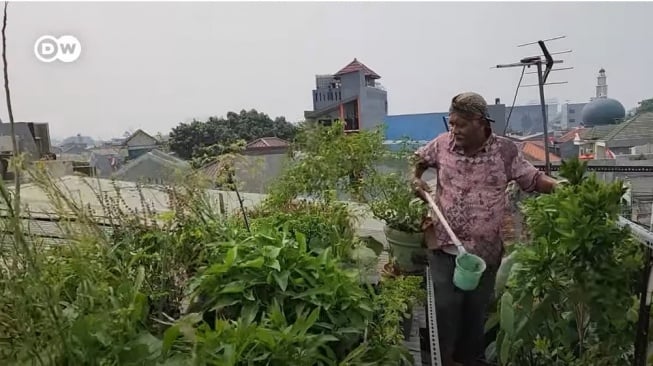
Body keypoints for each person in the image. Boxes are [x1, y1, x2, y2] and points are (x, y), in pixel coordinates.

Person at [411, 92, 560, 366]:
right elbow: (419, 160)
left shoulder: (505, 151)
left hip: (484, 254)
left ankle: (469, 359)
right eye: (451, 123)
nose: (453, 130)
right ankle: (442, 360)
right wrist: (417, 180)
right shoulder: (442, 145)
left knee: (474, 314)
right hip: (444, 246)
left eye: (460, 125)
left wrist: (560, 188)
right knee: (444, 311)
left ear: (480, 122)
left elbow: (533, 178)